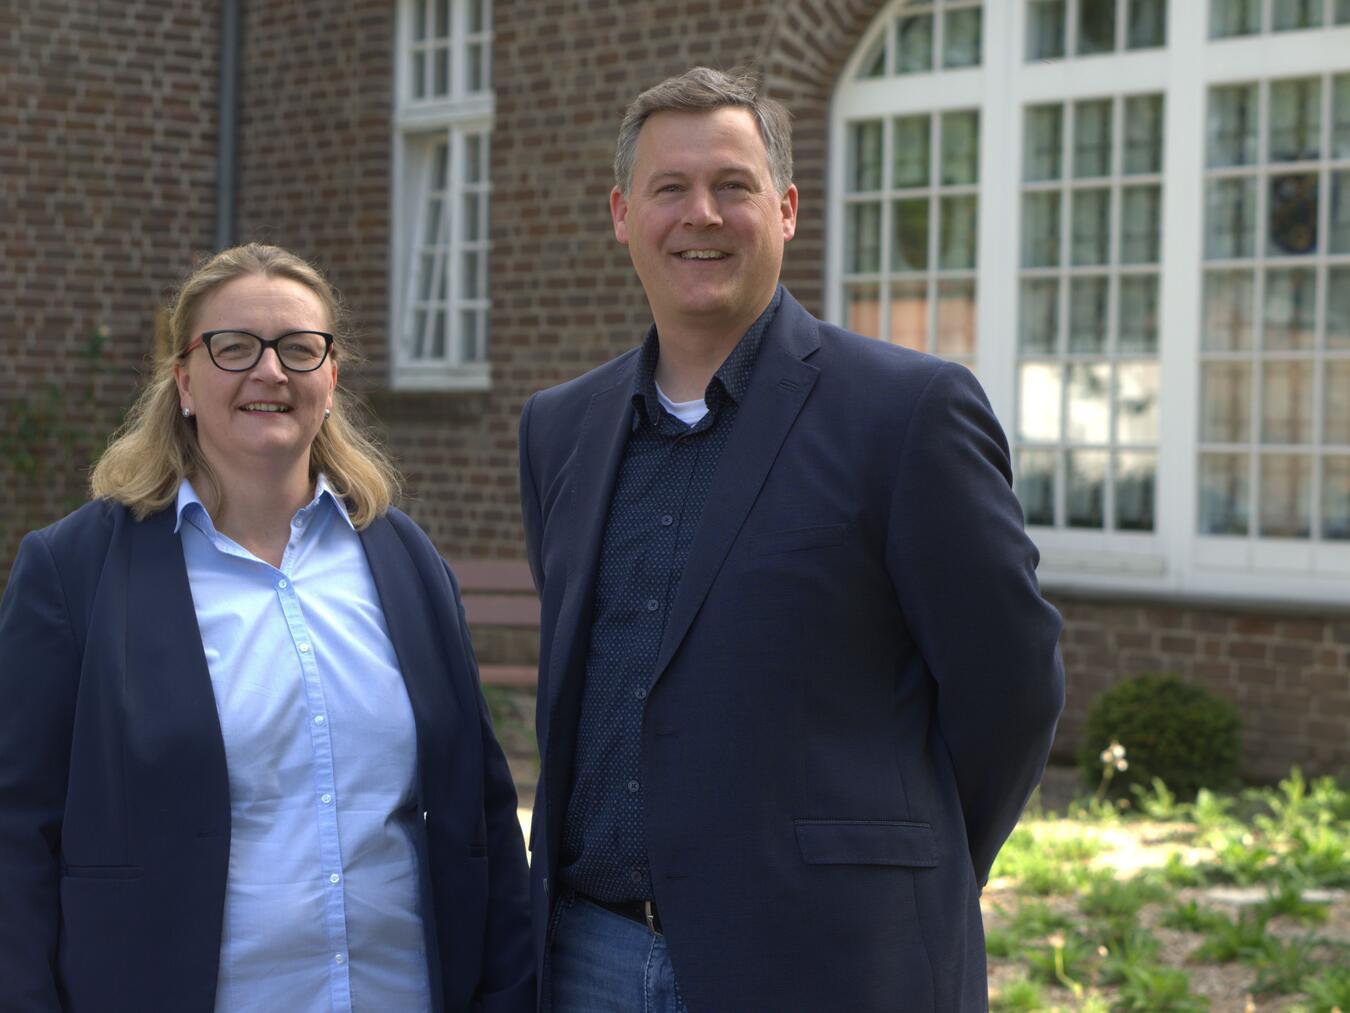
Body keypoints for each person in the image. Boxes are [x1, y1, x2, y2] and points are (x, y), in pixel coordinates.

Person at [517, 67, 1065, 1012]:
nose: (701, 214)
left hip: (826, 957)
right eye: (669, 188)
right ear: (622, 214)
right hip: (588, 959)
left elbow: (1011, 689)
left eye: (733, 185)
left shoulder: (906, 413)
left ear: (786, 210)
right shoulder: (560, 429)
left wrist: (905, 866)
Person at [0, 244, 533, 1013]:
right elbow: (16, 832)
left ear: (331, 378)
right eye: (234, 347)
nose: (270, 371)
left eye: (299, 348)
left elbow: (482, 812)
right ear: (184, 381)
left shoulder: (405, 560)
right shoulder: (74, 572)